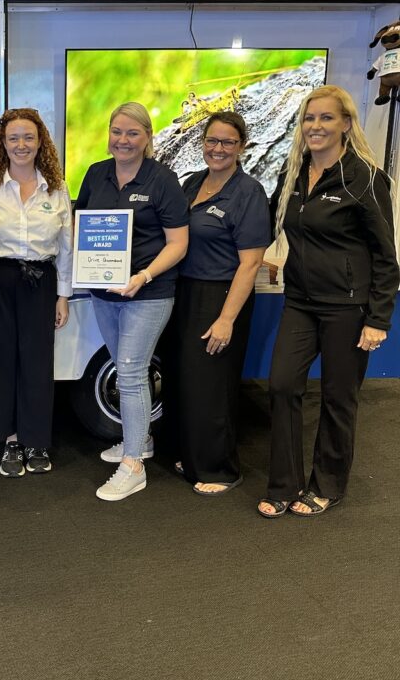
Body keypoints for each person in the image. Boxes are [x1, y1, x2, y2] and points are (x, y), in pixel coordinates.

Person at [258, 85, 399, 518]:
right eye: (309, 118)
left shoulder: (366, 179)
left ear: (345, 125)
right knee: (282, 385)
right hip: (300, 301)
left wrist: (378, 319)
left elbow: (385, 257)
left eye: (325, 118)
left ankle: (327, 484)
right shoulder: (293, 175)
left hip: (348, 308)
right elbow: (276, 225)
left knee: (339, 398)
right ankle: (284, 484)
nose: (315, 126)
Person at [75, 102, 189, 502]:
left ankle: (133, 466)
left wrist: (142, 276)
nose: (122, 140)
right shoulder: (95, 174)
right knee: (124, 364)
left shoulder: (163, 180)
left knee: (130, 369)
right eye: (116, 131)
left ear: (147, 138)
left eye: (132, 133)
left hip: (149, 292)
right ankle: (136, 441)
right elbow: (80, 224)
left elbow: (178, 244)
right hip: (103, 292)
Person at [0, 107, 73, 476]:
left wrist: (63, 295)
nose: (21, 145)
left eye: (29, 137)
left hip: (40, 283)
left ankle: (36, 439)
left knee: (37, 364)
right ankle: (9, 440)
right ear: (2, 144)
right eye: (13, 138)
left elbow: (67, 245)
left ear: (41, 142)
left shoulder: (56, 189)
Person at [163, 112, 270, 495]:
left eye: (227, 142)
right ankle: (190, 457)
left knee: (212, 386)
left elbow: (252, 262)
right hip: (184, 292)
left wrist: (226, 319)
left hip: (221, 296)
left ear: (241, 147)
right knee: (184, 381)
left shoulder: (249, 192)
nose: (218, 149)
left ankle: (219, 469)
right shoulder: (192, 183)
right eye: (212, 140)